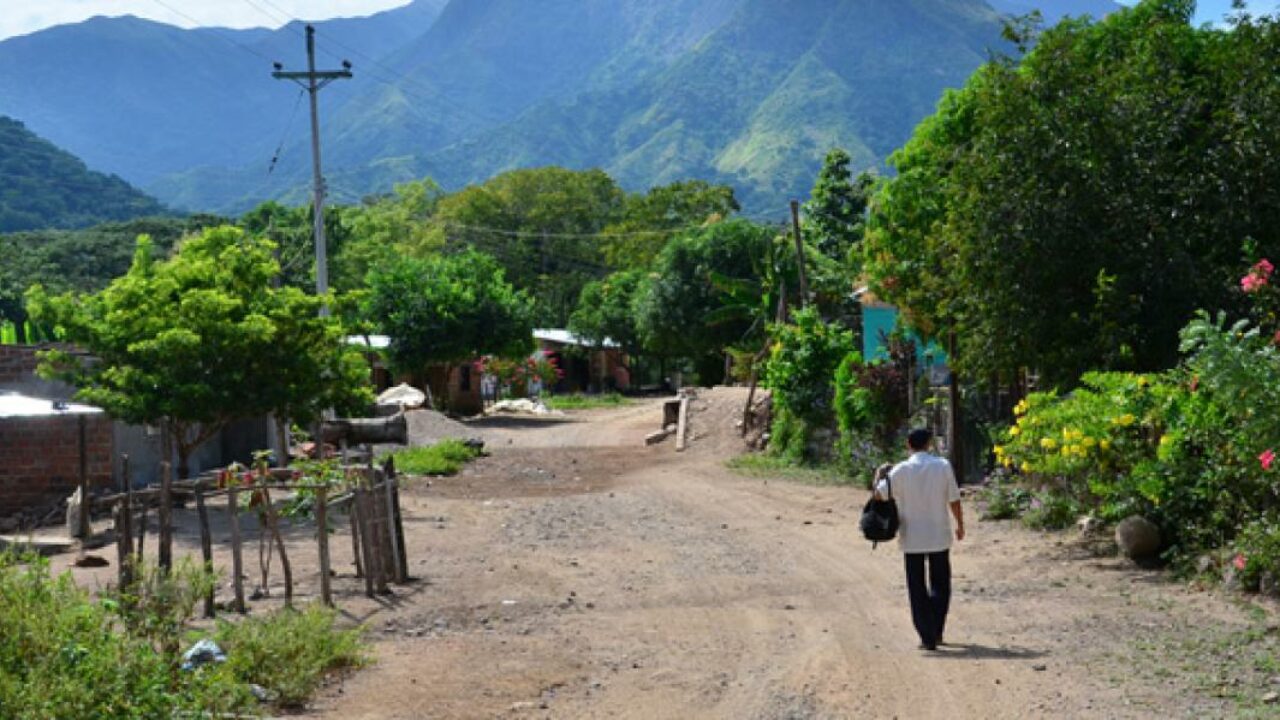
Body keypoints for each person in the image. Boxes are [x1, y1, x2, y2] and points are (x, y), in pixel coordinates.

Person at [875, 427, 964, 651]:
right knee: (941, 584)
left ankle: (927, 635)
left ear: (908, 444)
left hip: (911, 537)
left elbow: (879, 494)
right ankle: (937, 629)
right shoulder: (942, 466)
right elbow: (954, 498)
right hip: (938, 535)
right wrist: (960, 524)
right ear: (929, 444)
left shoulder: (901, 470)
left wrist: (878, 477)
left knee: (916, 587)